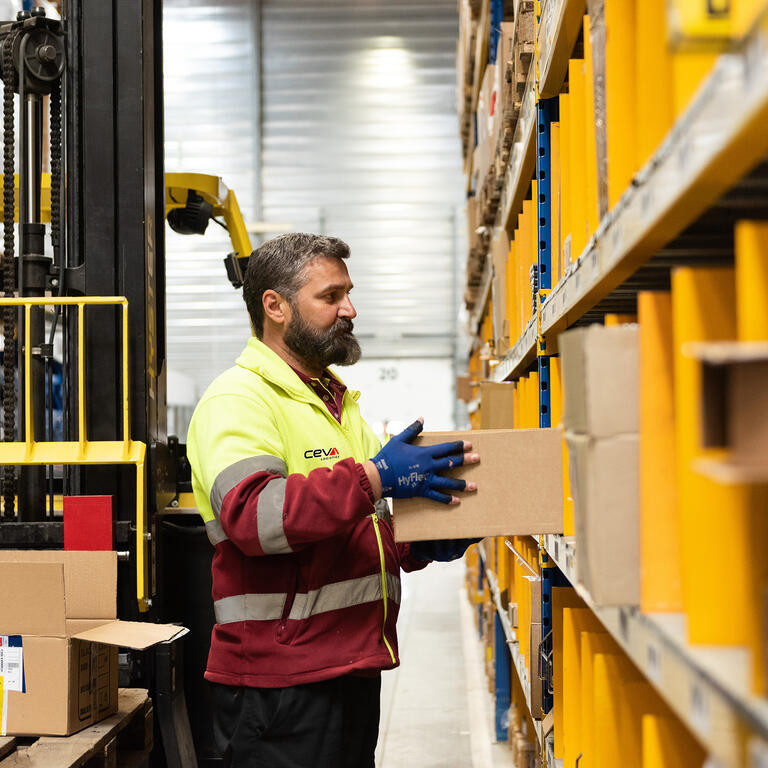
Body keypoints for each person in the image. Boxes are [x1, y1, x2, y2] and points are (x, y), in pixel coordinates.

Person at [187, 233, 480, 768]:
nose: (350, 309)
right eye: (331, 296)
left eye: (349, 293)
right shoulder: (238, 400)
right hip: (278, 685)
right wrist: (375, 474)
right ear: (274, 305)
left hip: (348, 668)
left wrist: (419, 543)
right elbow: (256, 518)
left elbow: (359, 526)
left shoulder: (335, 404)